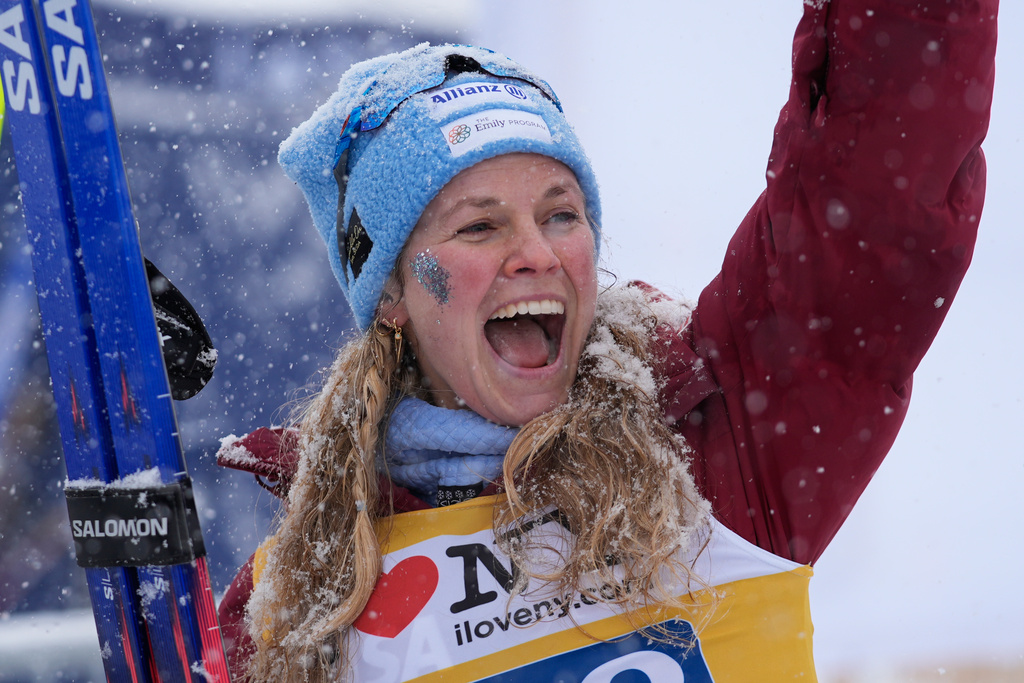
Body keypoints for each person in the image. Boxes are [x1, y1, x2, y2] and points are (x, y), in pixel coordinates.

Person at [216, 1, 998, 680]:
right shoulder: (305, 586)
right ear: (391, 291)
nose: (538, 252)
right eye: (481, 225)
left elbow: (878, 196)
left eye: (561, 213)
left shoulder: (714, 443)